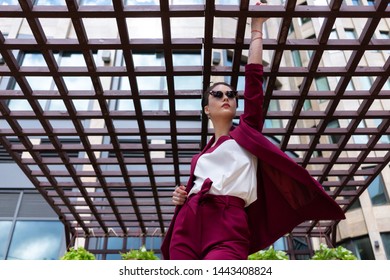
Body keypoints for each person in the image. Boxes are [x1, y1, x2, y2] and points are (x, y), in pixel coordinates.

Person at [161, 2, 345, 260]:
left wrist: (256, 26)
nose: (226, 97)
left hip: (229, 223)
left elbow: (254, 78)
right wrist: (180, 195)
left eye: (231, 94)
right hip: (188, 223)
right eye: (217, 94)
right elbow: (195, 186)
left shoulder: (246, 133)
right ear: (206, 110)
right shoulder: (199, 156)